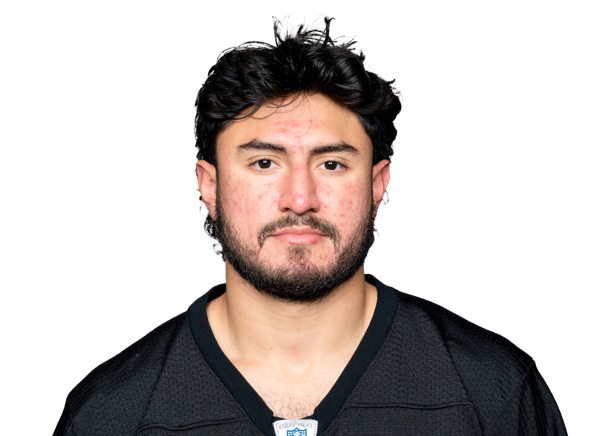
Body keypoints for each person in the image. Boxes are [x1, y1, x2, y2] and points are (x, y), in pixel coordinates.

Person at [53, 14, 567, 436]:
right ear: (208, 186)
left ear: (378, 184)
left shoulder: (494, 392)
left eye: (332, 164)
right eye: (264, 163)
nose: (300, 199)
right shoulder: (110, 414)